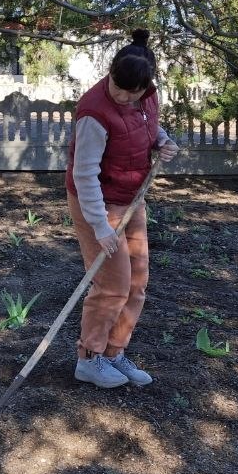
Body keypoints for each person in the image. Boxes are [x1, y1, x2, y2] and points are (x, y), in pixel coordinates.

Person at [65, 30, 179, 389]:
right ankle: (89, 358)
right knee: (113, 285)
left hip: (132, 198)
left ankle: (115, 352)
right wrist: (100, 226)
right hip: (97, 203)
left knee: (137, 285)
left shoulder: (145, 97)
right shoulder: (94, 112)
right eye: (117, 87)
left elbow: (146, 128)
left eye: (132, 93)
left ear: (146, 88)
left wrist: (161, 141)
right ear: (110, 71)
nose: (122, 96)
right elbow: (84, 174)